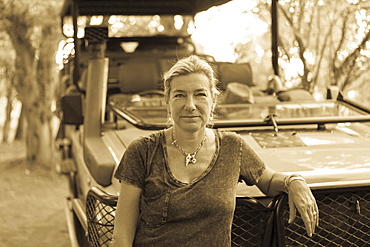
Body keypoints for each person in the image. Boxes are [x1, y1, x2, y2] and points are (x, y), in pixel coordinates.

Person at [111, 55, 319, 247]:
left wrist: (293, 181)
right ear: (167, 101)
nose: (190, 105)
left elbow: (268, 180)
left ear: (213, 100)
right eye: (180, 95)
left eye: (200, 94)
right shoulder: (142, 150)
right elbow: (122, 236)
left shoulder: (232, 147)